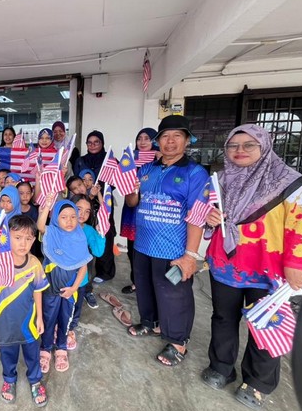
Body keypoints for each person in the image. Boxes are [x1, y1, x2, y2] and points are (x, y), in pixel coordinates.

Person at [201, 124, 302, 410]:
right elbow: (209, 215)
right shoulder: (221, 180)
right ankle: (221, 367)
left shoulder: (290, 182)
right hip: (226, 265)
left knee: (266, 324)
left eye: (249, 145)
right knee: (223, 318)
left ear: (264, 146)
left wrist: (297, 263)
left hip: (269, 269)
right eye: (233, 146)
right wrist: (210, 218)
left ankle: (257, 382)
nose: (239, 151)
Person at [124, 115, 208, 367]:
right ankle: (151, 323)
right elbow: (132, 202)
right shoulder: (147, 169)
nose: (170, 141)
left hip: (173, 248)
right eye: (165, 136)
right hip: (143, 243)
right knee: (145, 286)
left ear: (187, 140)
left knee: (174, 295)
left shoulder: (195, 173)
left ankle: (178, 341)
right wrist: (131, 187)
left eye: (177, 136)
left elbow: (197, 215)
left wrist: (190, 256)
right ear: (158, 141)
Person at [0, 215, 49, 407]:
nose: (23, 243)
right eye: (17, 237)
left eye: (28, 238)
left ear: (33, 240)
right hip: (5, 322)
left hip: (28, 321)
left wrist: (40, 317)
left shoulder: (34, 263)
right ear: (7, 237)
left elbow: (37, 291)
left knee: (32, 354)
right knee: (7, 354)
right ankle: (9, 379)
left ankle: (35, 380)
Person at [37, 197, 90, 374]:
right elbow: (40, 226)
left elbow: (83, 266)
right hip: (49, 288)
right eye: (64, 217)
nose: (69, 221)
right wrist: (47, 206)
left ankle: (61, 348)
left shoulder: (79, 237)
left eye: (73, 216)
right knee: (48, 318)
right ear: (55, 218)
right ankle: (45, 348)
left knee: (65, 319)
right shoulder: (51, 233)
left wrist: (74, 288)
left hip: (69, 290)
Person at [119, 127, 158, 294]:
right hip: (132, 209)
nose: (142, 142)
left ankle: (152, 285)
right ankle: (136, 282)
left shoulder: (160, 161)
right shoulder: (131, 159)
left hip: (152, 210)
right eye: (139, 138)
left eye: (147, 138)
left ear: (155, 141)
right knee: (133, 250)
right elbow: (122, 180)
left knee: (151, 250)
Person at [67, 195, 105, 349]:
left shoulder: (88, 230)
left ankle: (70, 329)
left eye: (87, 211)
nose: (82, 214)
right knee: (59, 305)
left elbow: (98, 251)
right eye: (78, 209)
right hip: (61, 278)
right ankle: (58, 326)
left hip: (80, 279)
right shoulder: (60, 227)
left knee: (76, 307)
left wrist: (101, 234)